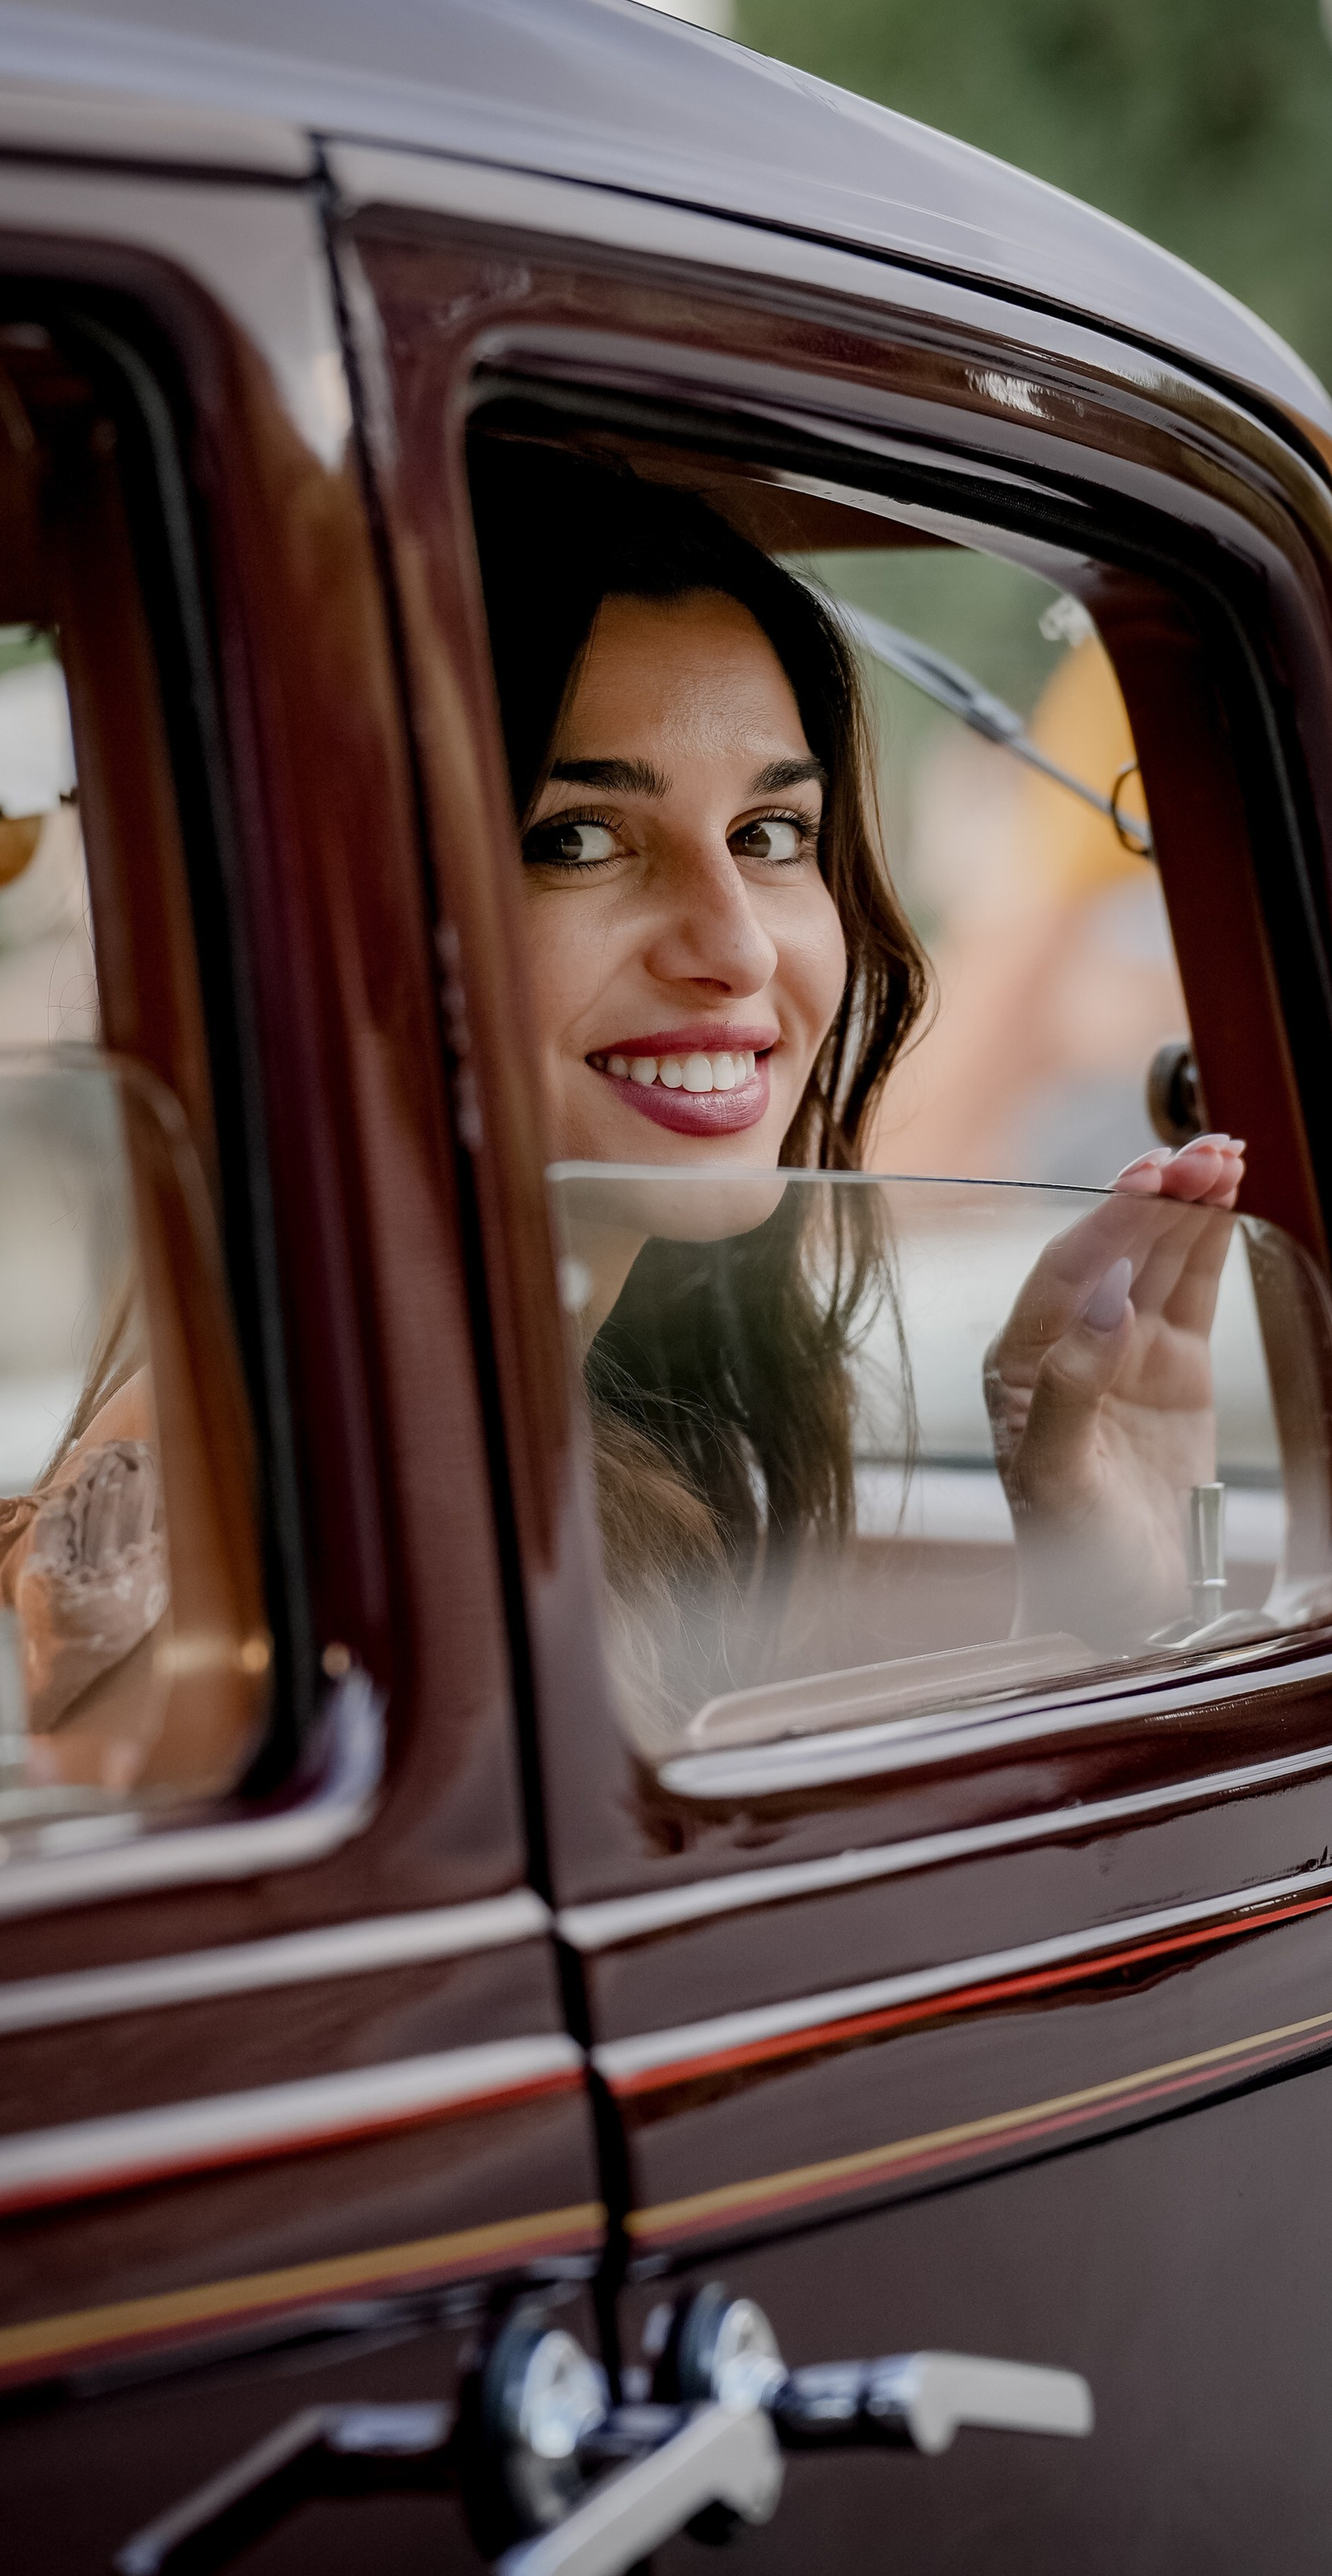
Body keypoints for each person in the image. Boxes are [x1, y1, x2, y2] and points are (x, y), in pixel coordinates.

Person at [470, 446, 1245, 1734]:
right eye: (579, 839)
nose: (738, 948)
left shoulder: (583, 1446)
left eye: (772, 836)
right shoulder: (358, 1516)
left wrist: (1114, 1616)